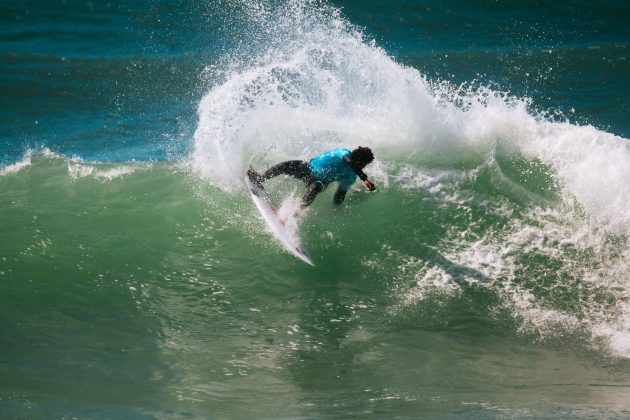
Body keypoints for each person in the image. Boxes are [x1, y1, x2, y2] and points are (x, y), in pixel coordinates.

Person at [247, 146, 376, 209]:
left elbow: (340, 194)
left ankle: (294, 213)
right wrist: (364, 178)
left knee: (314, 189)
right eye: (363, 163)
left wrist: (337, 208)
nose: (364, 166)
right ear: (358, 159)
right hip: (307, 167)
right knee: (284, 165)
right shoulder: (344, 153)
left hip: (319, 181)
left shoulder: (351, 176)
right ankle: (261, 178)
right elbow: (349, 161)